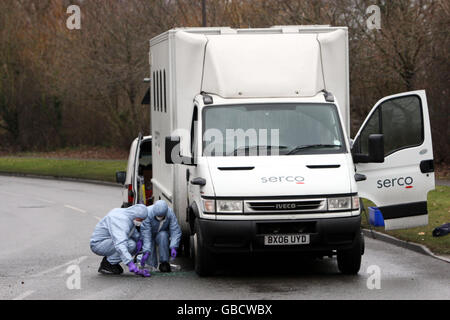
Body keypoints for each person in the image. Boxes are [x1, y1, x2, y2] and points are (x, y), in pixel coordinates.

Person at [90, 204, 150, 277]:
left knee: (133, 244)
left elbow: (131, 231)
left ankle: (110, 261)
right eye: (140, 220)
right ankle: (107, 264)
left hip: (107, 241)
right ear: (136, 216)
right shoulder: (120, 220)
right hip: (98, 244)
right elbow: (120, 244)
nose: (141, 222)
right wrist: (130, 264)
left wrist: (140, 240)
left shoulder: (127, 215)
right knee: (130, 245)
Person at [140, 200, 182, 272]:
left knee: (163, 235)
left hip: (161, 234)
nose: (159, 218)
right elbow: (146, 234)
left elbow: (175, 230)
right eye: (158, 216)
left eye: (161, 216)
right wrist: (146, 250)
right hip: (150, 235)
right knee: (151, 263)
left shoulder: (170, 214)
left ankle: (164, 262)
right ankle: (149, 263)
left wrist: (174, 246)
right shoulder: (147, 213)